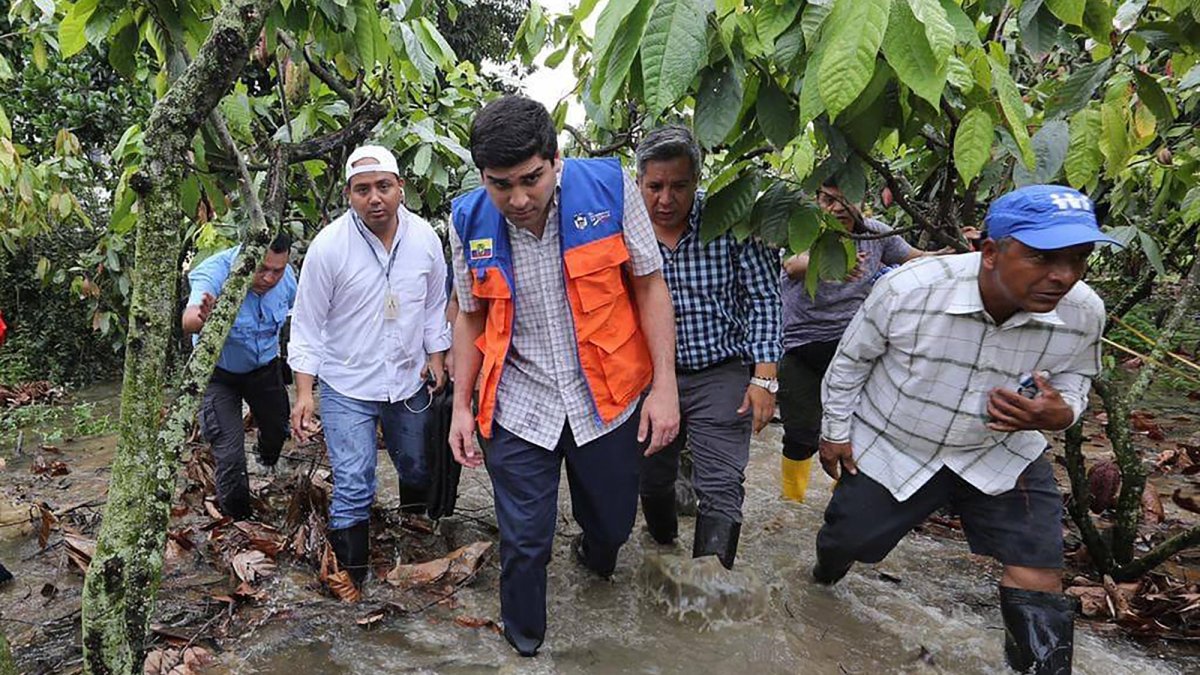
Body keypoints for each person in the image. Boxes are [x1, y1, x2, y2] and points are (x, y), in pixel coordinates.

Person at [812, 185, 1119, 674]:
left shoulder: (1083, 312)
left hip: (999, 451)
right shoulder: (910, 291)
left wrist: (1060, 414)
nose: (1063, 276)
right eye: (1042, 258)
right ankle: (822, 580)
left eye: (1078, 258)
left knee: (1038, 571)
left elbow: (1075, 380)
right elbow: (850, 363)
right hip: (899, 443)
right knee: (846, 544)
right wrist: (834, 433)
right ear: (991, 253)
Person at [447, 95, 679, 657]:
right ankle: (525, 649)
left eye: (531, 179)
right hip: (519, 402)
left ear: (556, 159)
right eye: (501, 184)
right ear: (483, 175)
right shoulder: (466, 219)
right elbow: (470, 314)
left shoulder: (609, 188)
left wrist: (665, 388)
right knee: (524, 542)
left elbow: (649, 285)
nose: (519, 199)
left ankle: (597, 555)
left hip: (607, 398)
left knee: (612, 527)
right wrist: (459, 405)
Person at [288, 145, 451, 587]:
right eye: (363, 190)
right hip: (347, 383)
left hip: (408, 377)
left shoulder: (425, 240)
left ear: (401, 188)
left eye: (383, 186)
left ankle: (414, 539)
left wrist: (437, 357)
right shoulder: (328, 248)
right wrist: (304, 394)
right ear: (348, 195)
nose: (374, 198)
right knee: (355, 481)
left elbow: (436, 305)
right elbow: (306, 324)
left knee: (417, 467)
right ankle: (353, 584)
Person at [634, 125, 781, 568]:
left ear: (696, 181)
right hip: (649, 375)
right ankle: (661, 549)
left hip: (721, 369)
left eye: (679, 186)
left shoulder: (730, 223)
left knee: (720, 483)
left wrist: (765, 376)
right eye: (654, 187)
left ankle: (708, 590)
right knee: (652, 477)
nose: (665, 199)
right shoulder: (627, 230)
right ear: (638, 182)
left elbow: (764, 297)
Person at [777, 179, 958, 502]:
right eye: (829, 200)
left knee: (858, 434)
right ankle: (791, 508)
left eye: (847, 200)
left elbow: (915, 258)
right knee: (800, 435)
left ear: (862, 201)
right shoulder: (805, 229)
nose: (838, 209)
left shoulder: (874, 233)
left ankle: (842, 506)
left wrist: (954, 252)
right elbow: (793, 264)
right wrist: (830, 265)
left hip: (856, 347)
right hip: (803, 346)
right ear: (816, 202)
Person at [182, 233, 297, 521]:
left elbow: (306, 313)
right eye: (262, 269)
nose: (270, 279)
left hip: (265, 368)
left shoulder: (288, 277)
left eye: (277, 270)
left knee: (277, 432)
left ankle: (266, 461)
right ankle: (238, 523)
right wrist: (204, 319)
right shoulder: (216, 270)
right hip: (219, 374)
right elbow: (189, 319)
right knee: (230, 456)